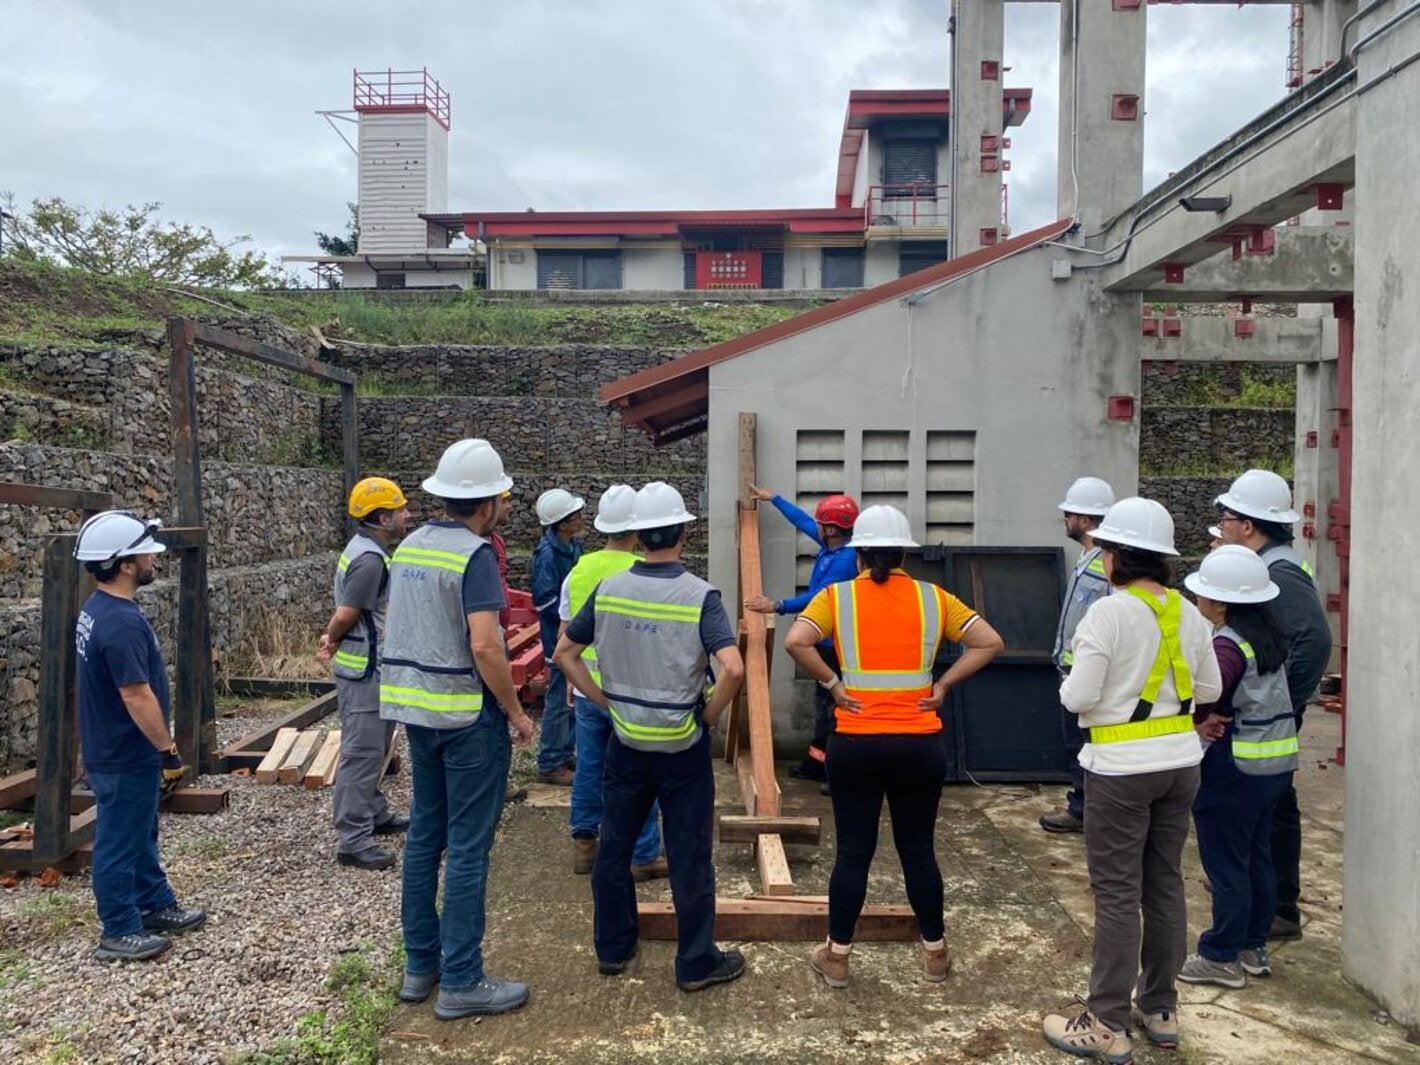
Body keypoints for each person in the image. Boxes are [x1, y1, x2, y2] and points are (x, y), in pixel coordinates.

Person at [782, 505, 1003, 989]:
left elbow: (796, 641)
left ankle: (837, 958)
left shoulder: (836, 599)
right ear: (906, 552)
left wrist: (834, 686)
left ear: (859, 553)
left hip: (855, 744)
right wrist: (942, 686)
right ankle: (936, 956)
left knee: (854, 852)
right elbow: (989, 642)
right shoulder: (934, 599)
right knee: (919, 851)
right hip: (918, 744)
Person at [1041, 498, 1222, 1061]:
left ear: (1117, 556)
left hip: (1121, 771)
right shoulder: (1188, 613)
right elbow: (1210, 690)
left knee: (1118, 892)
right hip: (1181, 764)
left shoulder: (1108, 614)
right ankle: (1160, 1008)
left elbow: (1077, 697)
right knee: (1163, 882)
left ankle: (1107, 1021)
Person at [554, 482, 747, 992]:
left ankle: (614, 950)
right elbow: (732, 668)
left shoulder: (609, 590)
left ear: (638, 536)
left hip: (627, 744)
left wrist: (603, 701)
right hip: (681, 749)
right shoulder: (700, 596)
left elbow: (564, 655)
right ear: (686, 531)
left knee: (614, 849)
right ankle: (695, 962)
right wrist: (705, 717)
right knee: (689, 857)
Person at [380, 439, 538, 1020]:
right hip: (467, 717)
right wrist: (517, 714)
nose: (504, 506)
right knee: (469, 847)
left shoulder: (411, 547)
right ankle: (463, 980)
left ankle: (420, 967)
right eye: (501, 498)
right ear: (487, 503)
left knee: (426, 837)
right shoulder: (472, 557)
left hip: (418, 714)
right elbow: (484, 644)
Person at [72, 510, 206, 962]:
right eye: (146, 553)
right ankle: (120, 929)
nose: (154, 559)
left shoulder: (99, 609)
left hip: (114, 748)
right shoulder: (121, 623)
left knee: (140, 831)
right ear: (126, 564)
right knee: (119, 838)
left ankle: (154, 904)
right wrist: (166, 749)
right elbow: (136, 695)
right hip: (125, 752)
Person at [1214, 469, 1331, 941]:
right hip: (1272, 714)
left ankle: (1281, 907)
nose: (1221, 526)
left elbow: (1314, 641)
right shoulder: (1274, 564)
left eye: (1226, 517)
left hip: (1271, 719)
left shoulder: (1277, 571)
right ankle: (1266, 897)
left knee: (1275, 807)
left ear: (1248, 525)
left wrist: (1284, 702)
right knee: (1268, 805)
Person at [1178, 545, 1298, 989]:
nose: (1197, 602)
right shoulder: (1268, 638)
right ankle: (1252, 946)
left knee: (1226, 864)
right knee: (1256, 858)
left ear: (1222, 602)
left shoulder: (1227, 645)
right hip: (1274, 767)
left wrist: (1197, 717)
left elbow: (1205, 693)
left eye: (1203, 595)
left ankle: (1220, 955)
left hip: (1235, 769)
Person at [558, 484, 667, 881]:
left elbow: (566, 632)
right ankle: (643, 853)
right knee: (638, 772)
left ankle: (585, 844)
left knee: (589, 764)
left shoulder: (580, 569)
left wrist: (573, 680)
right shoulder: (643, 571)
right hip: (631, 690)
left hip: (588, 687)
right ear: (638, 531)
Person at [316, 476, 411, 871]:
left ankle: (373, 812)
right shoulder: (370, 560)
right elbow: (347, 613)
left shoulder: (366, 550)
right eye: (401, 510)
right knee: (362, 752)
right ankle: (353, 839)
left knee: (376, 746)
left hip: (369, 667)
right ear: (382, 517)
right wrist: (331, 639)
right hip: (365, 669)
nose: (408, 515)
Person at [744, 486, 859, 783]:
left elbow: (816, 598)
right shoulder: (833, 546)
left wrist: (777, 605)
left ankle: (837, 774)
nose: (816, 526)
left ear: (832, 529)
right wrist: (775, 499)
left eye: (822, 523)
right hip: (823, 641)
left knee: (834, 705)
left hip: (837, 645)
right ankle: (816, 762)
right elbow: (804, 523)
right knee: (823, 702)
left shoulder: (846, 562)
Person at [1041, 476, 1115, 835]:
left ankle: (1086, 809)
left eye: (1069, 514)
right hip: (1072, 669)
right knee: (1078, 744)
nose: (1065, 520)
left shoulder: (1107, 563)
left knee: (1085, 745)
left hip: (1086, 671)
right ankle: (1084, 805)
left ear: (1085, 519)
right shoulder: (1091, 558)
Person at [531, 487, 586, 786]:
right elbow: (544, 601)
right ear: (562, 523)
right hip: (559, 639)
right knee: (557, 699)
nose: (581, 518)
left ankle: (564, 753)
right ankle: (550, 761)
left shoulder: (572, 547)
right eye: (575, 515)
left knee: (571, 698)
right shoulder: (548, 555)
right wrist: (573, 616)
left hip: (573, 636)